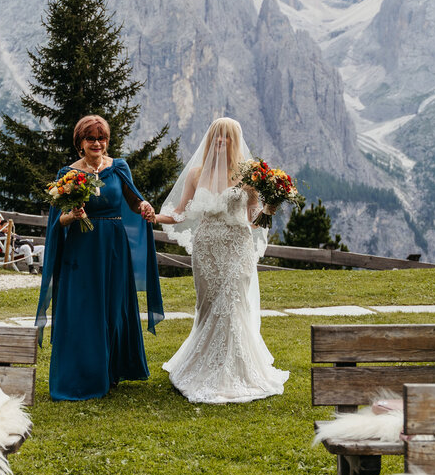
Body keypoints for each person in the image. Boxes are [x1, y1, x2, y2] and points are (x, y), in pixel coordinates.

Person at [154, 117, 289, 403]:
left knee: (233, 303)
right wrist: (153, 216)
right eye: (216, 136)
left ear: (235, 141)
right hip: (205, 249)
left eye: (226, 137)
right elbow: (180, 212)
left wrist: (269, 208)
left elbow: (254, 221)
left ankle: (237, 371)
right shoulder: (195, 173)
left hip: (237, 248)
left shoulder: (250, 176)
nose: (220, 141)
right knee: (209, 305)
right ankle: (204, 365)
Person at [35, 115, 164, 400]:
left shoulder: (119, 167)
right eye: (90, 138)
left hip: (115, 248)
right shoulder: (67, 174)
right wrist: (74, 214)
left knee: (112, 307)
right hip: (82, 249)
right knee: (83, 309)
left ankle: (111, 370)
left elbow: (133, 199)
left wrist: (144, 204)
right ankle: (82, 374)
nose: (97, 143)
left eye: (101, 137)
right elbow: (60, 221)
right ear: (80, 142)